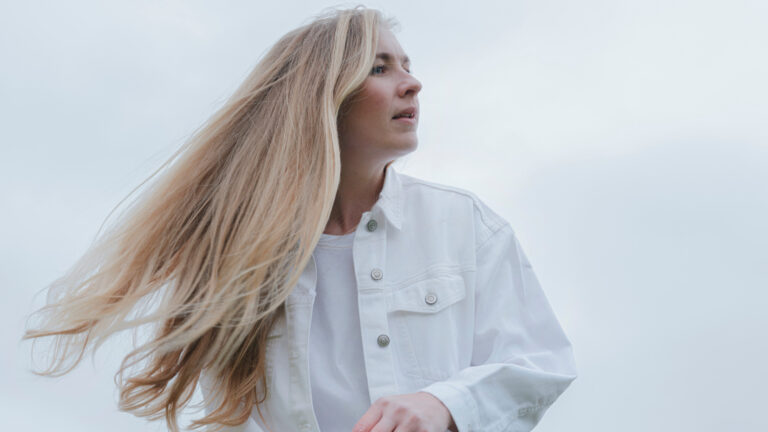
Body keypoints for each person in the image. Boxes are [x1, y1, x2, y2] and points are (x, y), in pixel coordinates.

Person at [22, 5, 577, 432]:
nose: (412, 82)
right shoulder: (240, 254)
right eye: (380, 67)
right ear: (323, 96)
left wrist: (441, 404)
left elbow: (539, 361)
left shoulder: (463, 224)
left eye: (408, 66)